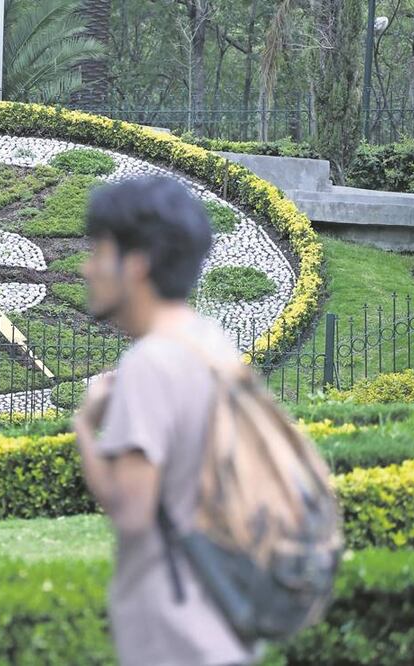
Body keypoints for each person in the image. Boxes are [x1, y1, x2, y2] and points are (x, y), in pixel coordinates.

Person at [73, 175, 260, 666]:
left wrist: (83, 429)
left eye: (98, 251)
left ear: (135, 265)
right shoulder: (211, 343)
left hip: (175, 638)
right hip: (221, 625)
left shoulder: (151, 363)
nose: (86, 268)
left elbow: (131, 511)